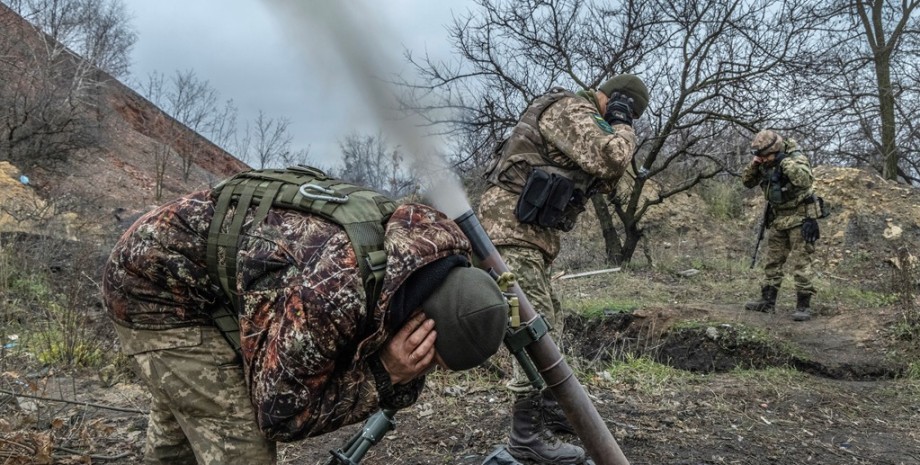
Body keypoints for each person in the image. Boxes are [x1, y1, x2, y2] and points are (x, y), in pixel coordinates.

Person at [102, 170, 510, 465]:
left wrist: (396, 373)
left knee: (187, 424)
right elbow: (279, 414)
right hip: (154, 286)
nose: (427, 369)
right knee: (240, 447)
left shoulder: (429, 256)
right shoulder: (334, 294)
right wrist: (383, 374)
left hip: (206, 273)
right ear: (421, 322)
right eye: (432, 359)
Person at [477, 74, 647, 464]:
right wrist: (621, 126)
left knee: (550, 317)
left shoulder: (587, 122)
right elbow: (612, 158)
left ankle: (551, 406)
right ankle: (526, 439)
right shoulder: (570, 108)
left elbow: (612, 178)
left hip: (526, 236)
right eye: (627, 109)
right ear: (614, 98)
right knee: (533, 330)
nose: (627, 119)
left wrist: (617, 128)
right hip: (509, 232)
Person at [742, 129, 821, 321]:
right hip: (778, 218)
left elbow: (804, 180)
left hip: (800, 216)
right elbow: (747, 182)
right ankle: (767, 301)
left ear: (775, 150)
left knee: (802, 262)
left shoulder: (795, 158)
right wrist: (755, 165)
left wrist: (783, 162)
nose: (763, 159)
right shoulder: (763, 161)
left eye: (765, 155)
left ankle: (803, 306)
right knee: (773, 261)